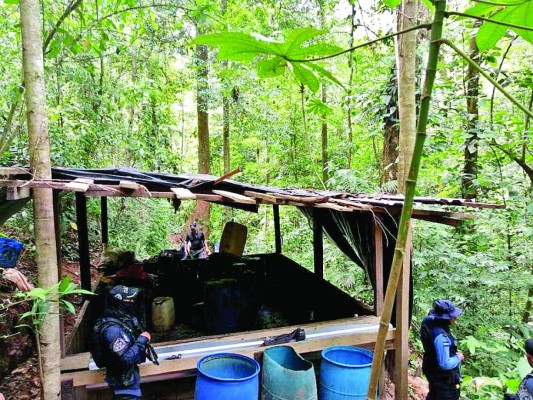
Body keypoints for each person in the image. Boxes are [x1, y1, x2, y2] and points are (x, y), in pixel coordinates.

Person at [90, 285, 151, 400]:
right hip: (124, 387)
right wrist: (143, 340)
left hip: (127, 385)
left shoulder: (119, 321)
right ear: (119, 303)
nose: (132, 303)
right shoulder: (113, 330)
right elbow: (125, 358)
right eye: (129, 301)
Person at [420, 299, 465, 400]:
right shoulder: (441, 336)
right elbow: (445, 364)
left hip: (432, 369)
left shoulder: (430, 322)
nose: (455, 318)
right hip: (443, 378)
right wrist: (458, 358)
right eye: (452, 316)